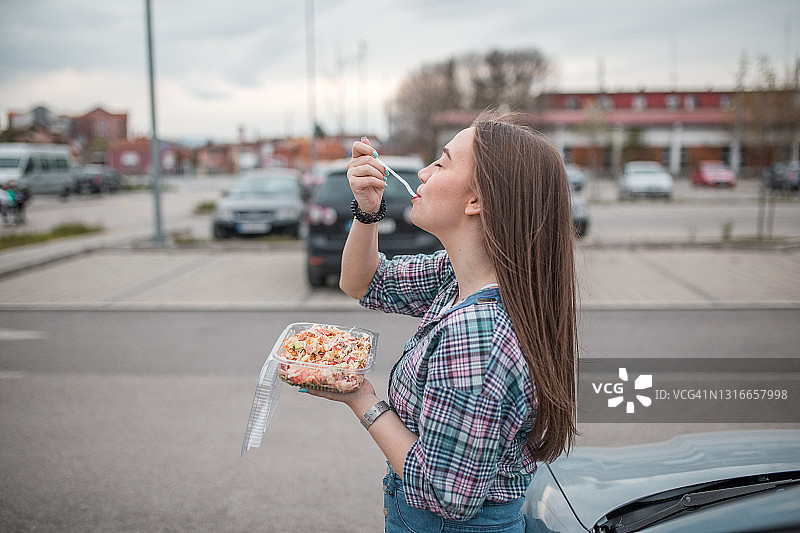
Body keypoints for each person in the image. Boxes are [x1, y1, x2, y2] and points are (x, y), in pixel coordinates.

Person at [305, 110, 578, 532]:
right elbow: (363, 282)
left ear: (477, 201)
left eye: (442, 162)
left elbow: (443, 494)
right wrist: (367, 212)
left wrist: (360, 397)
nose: (423, 173)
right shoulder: (460, 276)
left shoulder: (478, 333)